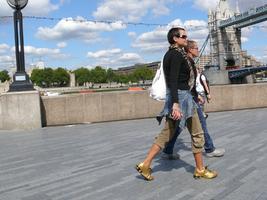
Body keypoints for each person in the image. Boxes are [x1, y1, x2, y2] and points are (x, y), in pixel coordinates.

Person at [135, 27, 217, 181]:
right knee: (195, 133)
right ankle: (199, 169)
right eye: (183, 36)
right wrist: (175, 104)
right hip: (180, 99)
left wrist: (194, 95)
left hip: (184, 97)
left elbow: (183, 80)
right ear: (175, 38)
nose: (186, 38)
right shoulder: (176, 55)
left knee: (168, 133)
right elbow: (173, 81)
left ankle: (145, 164)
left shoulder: (175, 54)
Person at [161, 40, 225, 159]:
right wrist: (189, 98)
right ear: (190, 49)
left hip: (190, 98)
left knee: (180, 126)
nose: (198, 50)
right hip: (187, 99)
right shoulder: (188, 61)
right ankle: (209, 149)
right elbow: (184, 83)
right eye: (196, 48)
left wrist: (196, 95)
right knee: (198, 124)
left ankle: (167, 150)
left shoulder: (188, 61)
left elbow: (189, 84)